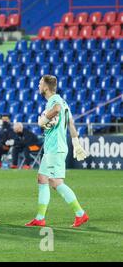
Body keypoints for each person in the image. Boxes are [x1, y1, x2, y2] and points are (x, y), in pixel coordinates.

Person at [26, 75, 89, 228]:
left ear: (46, 87)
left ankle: (80, 214)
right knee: (42, 178)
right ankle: (40, 218)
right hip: (52, 148)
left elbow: (56, 110)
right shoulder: (63, 101)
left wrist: (43, 120)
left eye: (40, 83)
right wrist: (76, 142)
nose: (38, 85)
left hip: (55, 148)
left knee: (55, 182)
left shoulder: (55, 101)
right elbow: (71, 123)